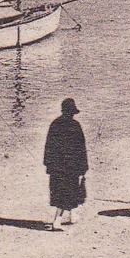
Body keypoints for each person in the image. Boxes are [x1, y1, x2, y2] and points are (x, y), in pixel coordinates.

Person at [42, 98, 88, 231]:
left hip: (57, 166)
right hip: (71, 167)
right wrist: (84, 167)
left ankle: (72, 216)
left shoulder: (55, 124)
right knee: (69, 192)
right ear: (72, 112)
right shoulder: (75, 126)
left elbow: (49, 146)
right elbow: (81, 148)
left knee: (60, 192)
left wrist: (48, 164)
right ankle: (57, 221)